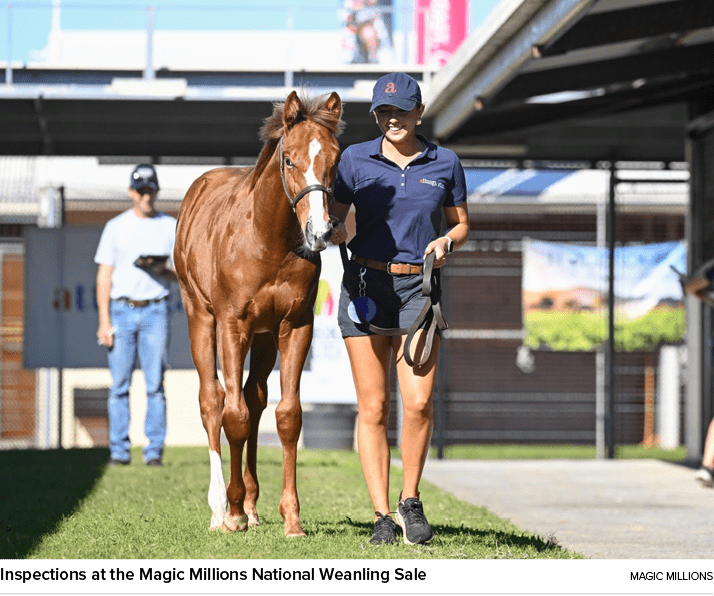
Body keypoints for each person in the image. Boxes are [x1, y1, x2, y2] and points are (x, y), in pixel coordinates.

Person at [329, 72, 469, 544]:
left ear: (419, 113)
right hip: (365, 286)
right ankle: (381, 516)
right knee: (372, 407)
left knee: (419, 402)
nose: (392, 119)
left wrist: (448, 240)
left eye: (401, 111)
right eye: (383, 112)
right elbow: (334, 215)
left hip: (419, 291)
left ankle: (411, 502)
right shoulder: (354, 159)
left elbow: (462, 223)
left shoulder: (445, 162)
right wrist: (333, 229)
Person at [95, 164, 177, 467]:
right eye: (140, 190)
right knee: (119, 385)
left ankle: (154, 451)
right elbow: (104, 275)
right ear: (132, 192)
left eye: (150, 190)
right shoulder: (116, 226)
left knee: (155, 384)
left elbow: (182, 273)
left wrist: (161, 270)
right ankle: (119, 451)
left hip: (155, 309)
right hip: (121, 311)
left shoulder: (170, 225)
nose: (146, 195)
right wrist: (104, 321)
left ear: (156, 191)